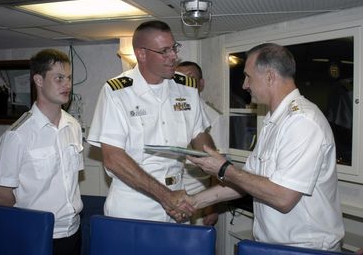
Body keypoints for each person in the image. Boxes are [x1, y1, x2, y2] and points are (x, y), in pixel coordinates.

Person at [185, 43, 345, 250]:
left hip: (304, 249)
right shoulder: (273, 121)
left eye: (248, 76)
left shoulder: (303, 121)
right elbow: (246, 181)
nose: (244, 85)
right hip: (272, 246)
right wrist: (193, 201)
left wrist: (224, 169)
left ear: (270, 76)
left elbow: (283, 197)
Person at [87, 20, 214, 223]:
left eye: (174, 48)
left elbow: (200, 136)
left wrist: (218, 168)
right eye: (164, 51)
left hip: (178, 198)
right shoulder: (117, 92)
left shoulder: (187, 88)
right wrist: (166, 197)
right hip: (133, 203)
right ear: (141, 54)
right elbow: (113, 158)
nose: (173, 56)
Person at [0, 49, 84, 255]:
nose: (67, 85)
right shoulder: (17, 135)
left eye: (68, 78)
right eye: (59, 78)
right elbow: (1, 194)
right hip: (36, 235)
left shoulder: (74, 126)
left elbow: (72, 181)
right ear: (38, 80)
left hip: (73, 231)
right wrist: (30, 220)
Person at [176, 61, 225, 226]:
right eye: (179, 78)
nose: (184, 82)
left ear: (201, 83)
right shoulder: (168, 110)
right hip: (171, 186)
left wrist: (212, 206)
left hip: (198, 187)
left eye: (190, 78)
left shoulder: (213, 116)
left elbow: (219, 161)